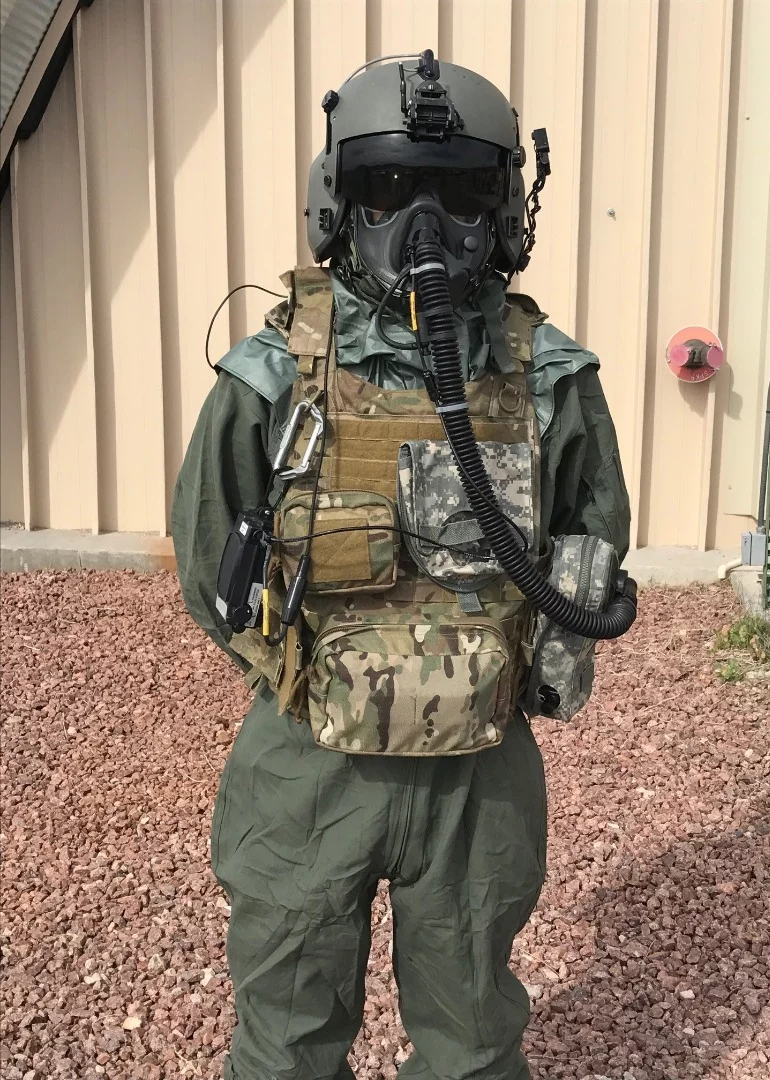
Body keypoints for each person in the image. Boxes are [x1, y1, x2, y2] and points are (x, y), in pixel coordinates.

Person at [172, 49, 631, 1080]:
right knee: (286, 1038)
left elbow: (590, 551)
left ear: (505, 210)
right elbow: (211, 565)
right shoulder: (273, 375)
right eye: (387, 189)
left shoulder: (551, 380)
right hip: (308, 766)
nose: (425, 228)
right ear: (340, 202)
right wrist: (301, 672)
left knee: (471, 1042)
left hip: (480, 776)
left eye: (461, 193)